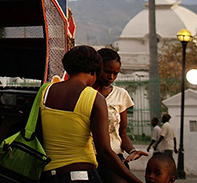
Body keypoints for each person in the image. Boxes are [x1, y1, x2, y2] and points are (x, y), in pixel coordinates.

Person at [39, 45, 142, 183]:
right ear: (95, 70)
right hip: (81, 173)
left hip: (49, 173)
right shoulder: (94, 98)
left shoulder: (46, 91)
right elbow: (105, 151)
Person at [93, 48, 148, 183]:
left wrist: (132, 151)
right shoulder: (85, 93)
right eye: (107, 72)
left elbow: (122, 134)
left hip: (114, 159)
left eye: (115, 73)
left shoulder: (121, 95)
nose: (111, 77)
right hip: (90, 158)